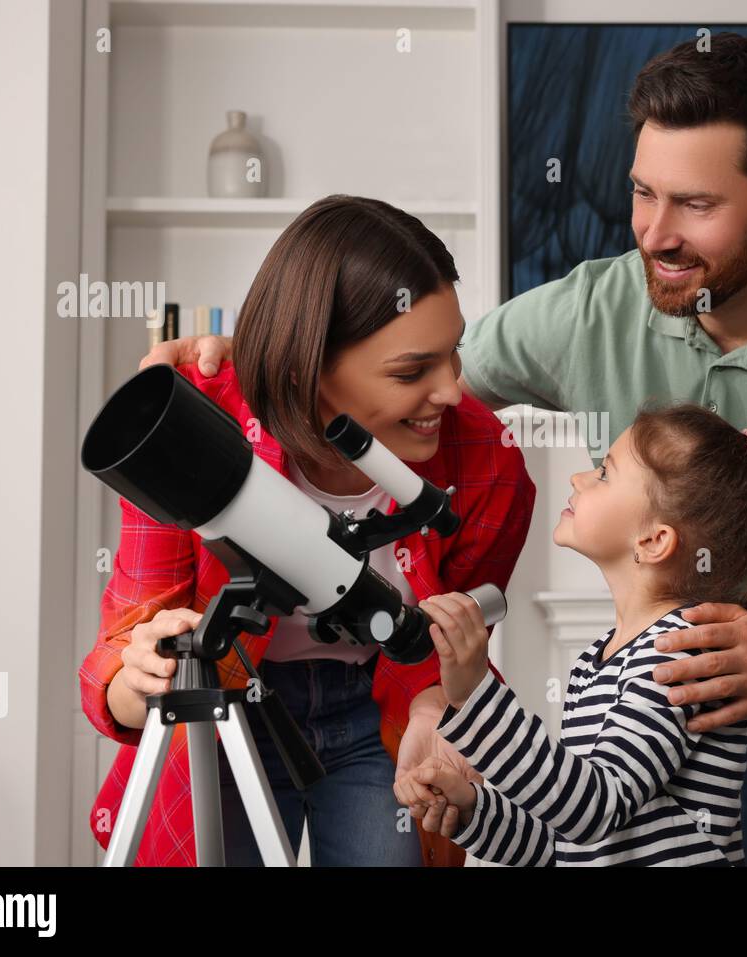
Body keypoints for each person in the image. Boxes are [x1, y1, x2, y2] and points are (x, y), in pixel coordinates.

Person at [143, 32, 747, 865]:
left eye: (696, 204)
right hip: (679, 689)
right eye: (642, 194)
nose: (653, 233)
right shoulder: (592, 308)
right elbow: (411, 378)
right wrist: (241, 375)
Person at [79, 195, 536, 866]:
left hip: (376, 721)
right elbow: (121, 647)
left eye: (453, 355)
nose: (450, 391)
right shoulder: (193, 426)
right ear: (306, 366)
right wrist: (138, 679)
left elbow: (452, 645)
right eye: (413, 370)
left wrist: (436, 704)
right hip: (225, 703)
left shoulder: (483, 460)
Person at [402, 405, 747, 865]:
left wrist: (478, 695)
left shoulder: (685, 650)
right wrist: (475, 809)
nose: (579, 478)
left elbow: (594, 810)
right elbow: (573, 845)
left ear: (653, 541)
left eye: (603, 473)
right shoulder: (596, 662)